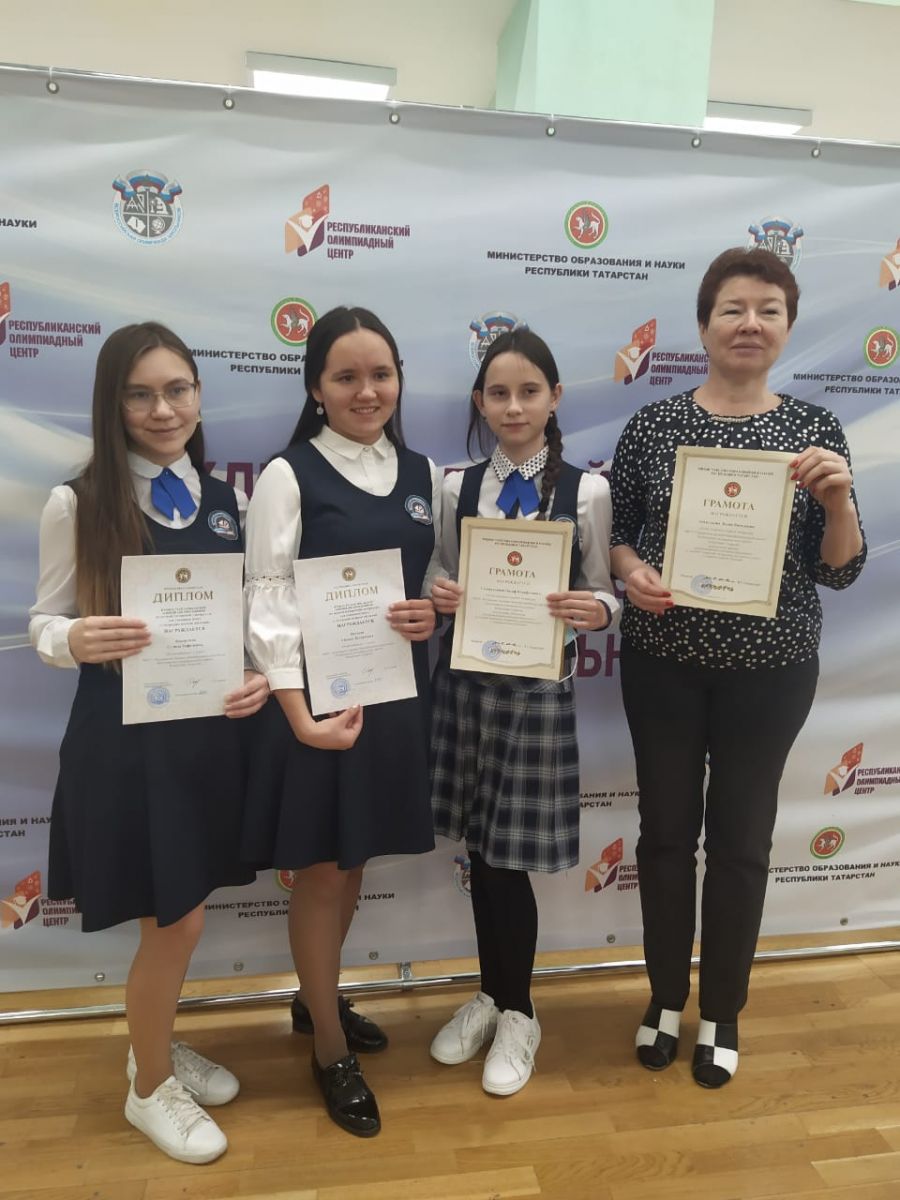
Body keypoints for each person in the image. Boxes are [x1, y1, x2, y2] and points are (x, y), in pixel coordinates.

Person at [609, 248, 866, 1088]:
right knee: (664, 837)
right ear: (703, 325)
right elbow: (618, 537)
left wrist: (838, 501)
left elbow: (839, 570)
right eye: (732, 309)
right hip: (664, 668)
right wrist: (631, 572)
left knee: (743, 842)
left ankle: (721, 1010)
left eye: (768, 310)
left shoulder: (815, 432)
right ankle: (664, 999)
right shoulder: (653, 426)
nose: (750, 324)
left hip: (771, 672)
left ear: (787, 327)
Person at [28, 322, 269, 1162]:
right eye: (141, 394)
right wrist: (72, 639)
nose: (163, 409)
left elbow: (239, 622)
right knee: (177, 922)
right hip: (125, 746)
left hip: (206, 740)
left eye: (177, 389)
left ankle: (152, 1044)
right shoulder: (78, 501)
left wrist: (254, 675)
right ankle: (147, 1088)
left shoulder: (224, 499)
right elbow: (43, 620)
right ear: (114, 403)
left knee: (183, 910)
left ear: (199, 395)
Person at [243, 305, 440, 1137]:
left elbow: (428, 585)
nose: (368, 391)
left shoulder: (423, 472)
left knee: (352, 862)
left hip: (394, 699)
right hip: (316, 710)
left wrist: (429, 613)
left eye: (381, 374)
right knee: (324, 874)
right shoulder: (289, 475)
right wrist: (300, 718)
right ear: (315, 388)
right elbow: (266, 600)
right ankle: (328, 1047)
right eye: (347, 376)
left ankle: (312, 999)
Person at [428, 328, 618, 1096]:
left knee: (509, 858)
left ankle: (520, 1011)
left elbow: (604, 590)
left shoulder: (587, 492)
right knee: (481, 852)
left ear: (555, 398)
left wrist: (597, 611)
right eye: (499, 393)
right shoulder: (457, 488)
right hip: (467, 685)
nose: (514, 407)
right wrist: (441, 595)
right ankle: (488, 993)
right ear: (481, 402)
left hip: (538, 691)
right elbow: (441, 573)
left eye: (529, 392)